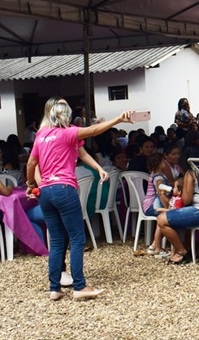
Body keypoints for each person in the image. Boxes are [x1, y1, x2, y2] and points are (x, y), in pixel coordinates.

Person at [26, 99, 133, 301]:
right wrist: (118, 119)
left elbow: (32, 163)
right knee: (77, 238)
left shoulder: (41, 135)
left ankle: (55, 288)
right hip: (64, 189)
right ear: (66, 115)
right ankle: (79, 286)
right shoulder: (68, 132)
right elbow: (93, 130)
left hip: (46, 191)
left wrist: (31, 184)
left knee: (56, 241)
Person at [154, 157, 199, 264]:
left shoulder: (191, 173)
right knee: (173, 219)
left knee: (161, 220)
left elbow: (186, 200)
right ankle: (182, 250)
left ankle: (181, 251)